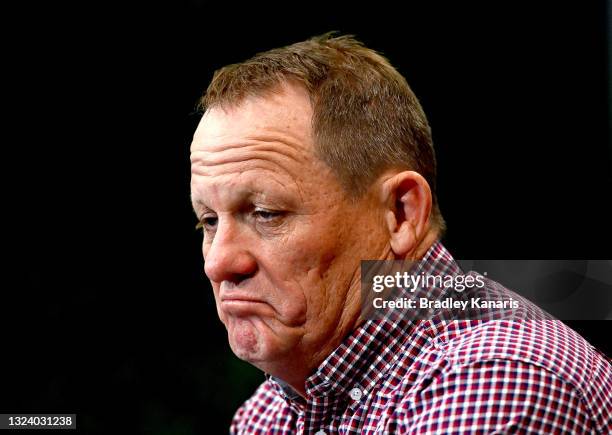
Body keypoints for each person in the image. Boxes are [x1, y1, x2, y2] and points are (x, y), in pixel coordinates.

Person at [189, 34, 611, 434]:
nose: (219, 263)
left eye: (265, 213)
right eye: (209, 221)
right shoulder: (268, 414)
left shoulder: (497, 377)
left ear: (401, 214)